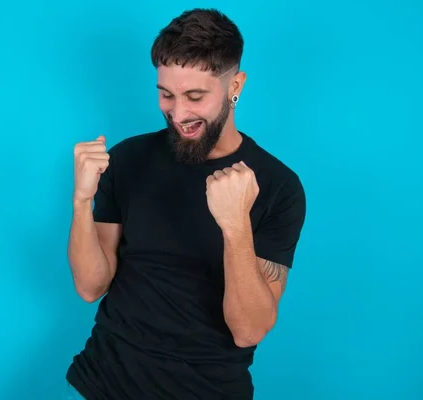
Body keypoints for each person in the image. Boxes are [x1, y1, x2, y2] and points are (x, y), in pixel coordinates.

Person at [63, 8, 306, 400]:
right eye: (166, 94)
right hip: (101, 383)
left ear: (235, 85)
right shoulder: (128, 159)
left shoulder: (279, 187)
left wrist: (235, 225)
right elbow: (91, 287)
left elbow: (248, 330)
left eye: (195, 96)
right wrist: (81, 200)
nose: (178, 113)